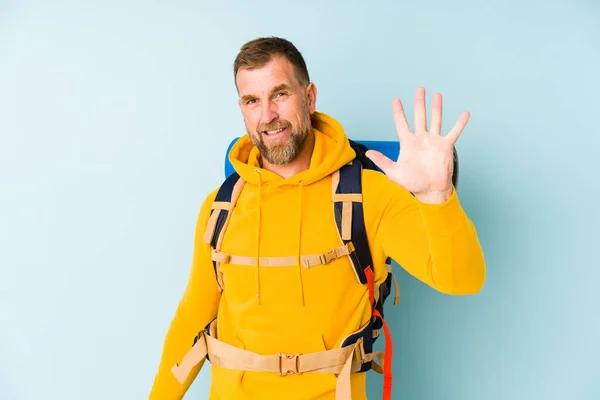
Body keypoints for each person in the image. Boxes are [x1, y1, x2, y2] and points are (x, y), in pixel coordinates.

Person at [148, 36, 486, 400]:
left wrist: (438, 198)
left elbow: (461, 279)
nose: (267, 116)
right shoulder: (220, 206)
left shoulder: (369, 195)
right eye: (252, 101)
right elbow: (191, 320)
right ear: (242, 108)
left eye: (280, 94)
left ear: (308, 97)